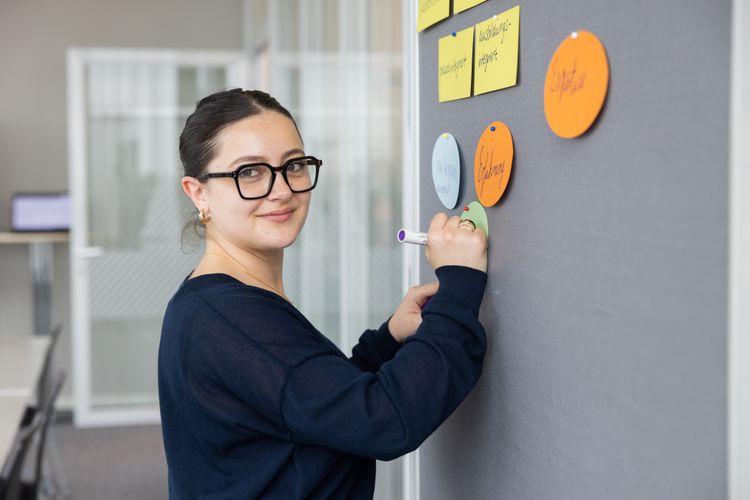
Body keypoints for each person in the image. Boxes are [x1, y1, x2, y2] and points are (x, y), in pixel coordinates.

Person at [158, 88, 488, 499]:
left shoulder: (211, 302)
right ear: (198, 192)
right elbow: (385, 420)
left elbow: (310, 404)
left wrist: (388, 341)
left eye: (294, 165)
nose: (282, 189)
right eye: (250, 172)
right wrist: (458, 285)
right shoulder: (230, 319)